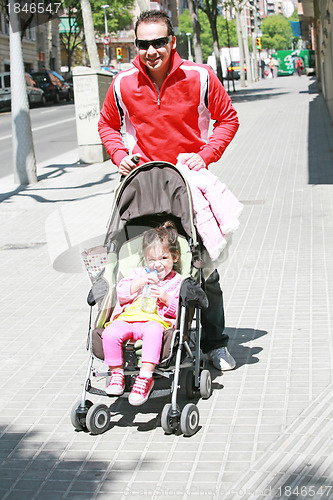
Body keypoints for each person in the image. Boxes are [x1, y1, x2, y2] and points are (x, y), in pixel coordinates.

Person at [98, 10, 240, 371]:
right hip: (143, 188)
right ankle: (143, 337)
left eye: (159, 42)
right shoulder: (123, 83)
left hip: (186, 188)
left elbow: (228, 119)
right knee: (139, 268)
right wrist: (119, 155)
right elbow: (107, 126)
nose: (151, 50)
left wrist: (205, 155)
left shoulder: (200, 76)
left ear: (172, 41)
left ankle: (216, 343)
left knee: (203, 268)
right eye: (143, 43)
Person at [102, 221, 182, 406]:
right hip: (130, 317)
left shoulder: (177, 281)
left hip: (154, 321)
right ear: (145, 260)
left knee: (153, 332)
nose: (158, 265)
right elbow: (121, 293)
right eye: (152, 260)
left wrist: (166, 298)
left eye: (163, 258)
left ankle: (145, 378)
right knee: (109, 333)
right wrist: (139, 282)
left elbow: (181, 309)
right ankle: (116, 374)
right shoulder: (138, 273)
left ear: (174, 257)